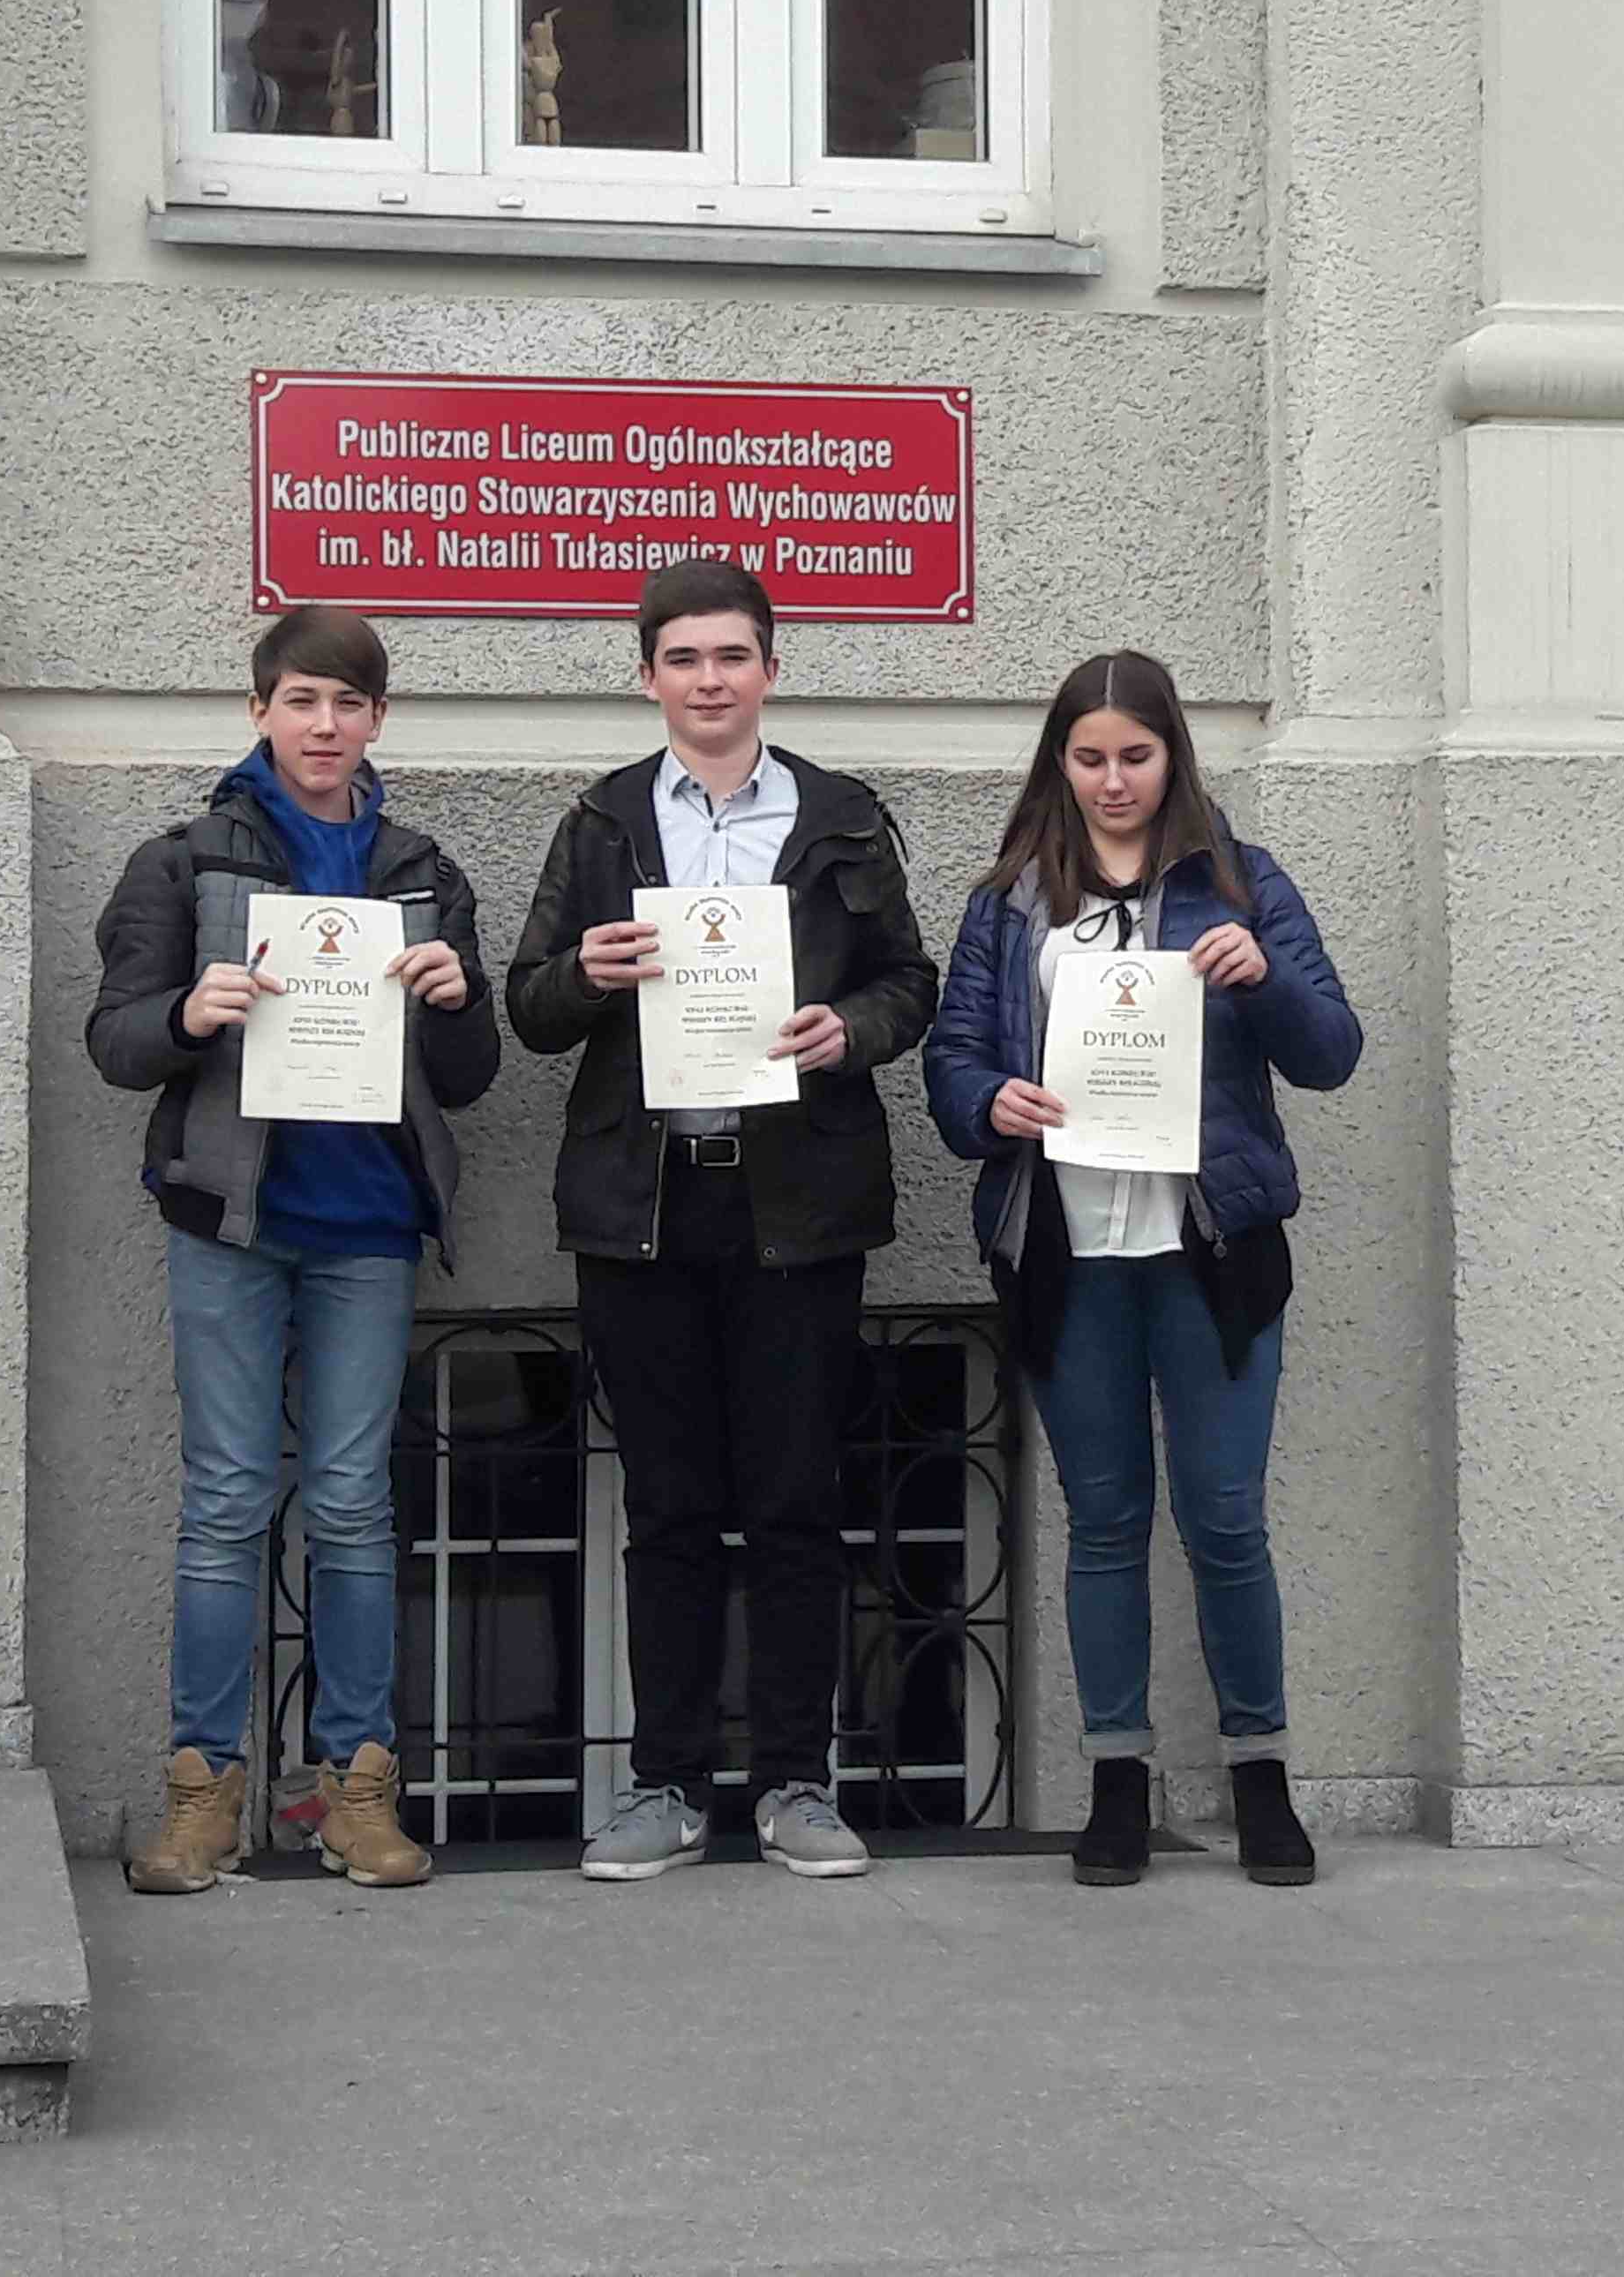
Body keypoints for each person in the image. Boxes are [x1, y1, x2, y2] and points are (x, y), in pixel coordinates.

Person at [506, 558, 937, 1882]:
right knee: (670, 1509)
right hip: (643, 1205)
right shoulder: (603, 817)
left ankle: (798, 1782)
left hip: (796, 1202)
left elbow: (909, 984)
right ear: (648, 676)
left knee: (799, 1502)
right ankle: (670, 1785)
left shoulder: (843, 816)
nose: (709, 680)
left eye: (732, 655)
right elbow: (528, 1005)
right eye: (684, 658)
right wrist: (584, 973)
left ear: (770, 668)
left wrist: (848, 1030)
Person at [921, 650, 1364, 1889]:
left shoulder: (1243, 883)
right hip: (1067, 1252)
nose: (1113, 781)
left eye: (1135, 755)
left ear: (1173, 755)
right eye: (1089, 758)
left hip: (1210, 1250)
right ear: (1058, 764)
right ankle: (1116, 1781)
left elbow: (1332, 1052)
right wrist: (987, 1102)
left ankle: (1261, 1776)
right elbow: (953, 1059)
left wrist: (1263, 982)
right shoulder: (1013, 900)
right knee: (1105, 1522)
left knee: (1225, 1519)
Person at [86, 606, 500, 1894]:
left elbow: (471, 1076)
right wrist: (186, 1011)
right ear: (260, 708)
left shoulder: (421, 869)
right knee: (224, 1500)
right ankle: (202, 1794)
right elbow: (113, 1040)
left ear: (380, 719)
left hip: (367, 1228)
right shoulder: (184, 860)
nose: (326, 725)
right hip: (231, 1222)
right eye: (303, 700)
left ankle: (353, 1793)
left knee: (353, 1506)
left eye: (349, 703)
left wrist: (456, 1002)